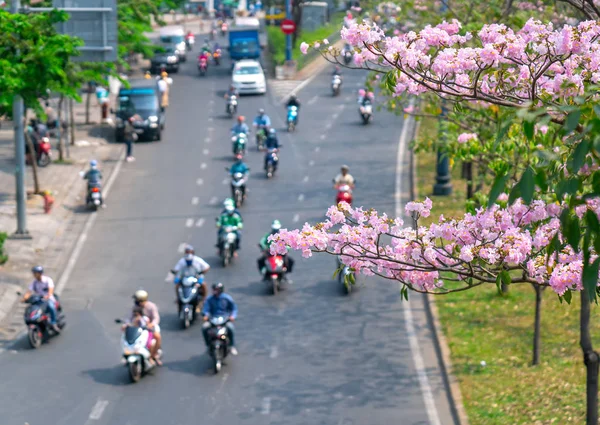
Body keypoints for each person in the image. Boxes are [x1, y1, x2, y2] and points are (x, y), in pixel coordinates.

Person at [202, 282, 238, 355]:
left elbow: (234, 308)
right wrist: (205, 315)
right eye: (214, 289)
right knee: (204, 328)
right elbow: (205, 309)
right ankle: (208, 345)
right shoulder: (209, 299)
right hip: (213, 319)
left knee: (230, 328)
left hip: (224, 319)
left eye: (216, 289)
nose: (215, 291)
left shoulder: (227, 298)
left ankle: (232, 346)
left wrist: (232, 316)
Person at [21, 266, 61, 333]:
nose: (34, 274)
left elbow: (51, 289)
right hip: (39, 301)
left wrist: (48, 295)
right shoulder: (34, 283)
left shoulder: (48, 280)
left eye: (35, 273)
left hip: (48, 299)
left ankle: (53, 323)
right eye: (34, 273)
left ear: (39, 273)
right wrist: (24, 298)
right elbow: (29, 292)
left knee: (51, 306)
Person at [131, 290, 162, 365]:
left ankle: (154, 355)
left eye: (137, 300)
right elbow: (130, 318)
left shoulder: (151, 306)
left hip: (150, 327)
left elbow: (156, 318)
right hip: (139, 327)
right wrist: (127, 324)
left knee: (157, 337)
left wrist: (152, 324)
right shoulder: (135, 307)